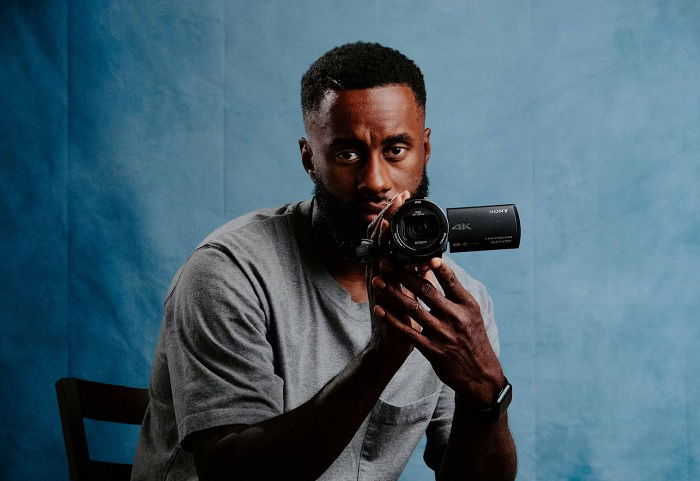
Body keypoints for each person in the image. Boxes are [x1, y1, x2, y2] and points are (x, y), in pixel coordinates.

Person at [132, 41, 517, 481]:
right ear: (309, 159)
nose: (376, 182)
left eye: (396, 150)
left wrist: (486, 393)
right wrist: (383, 354)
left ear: (424, 150)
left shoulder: (455, 303)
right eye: (347, 153)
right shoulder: (229, 274)